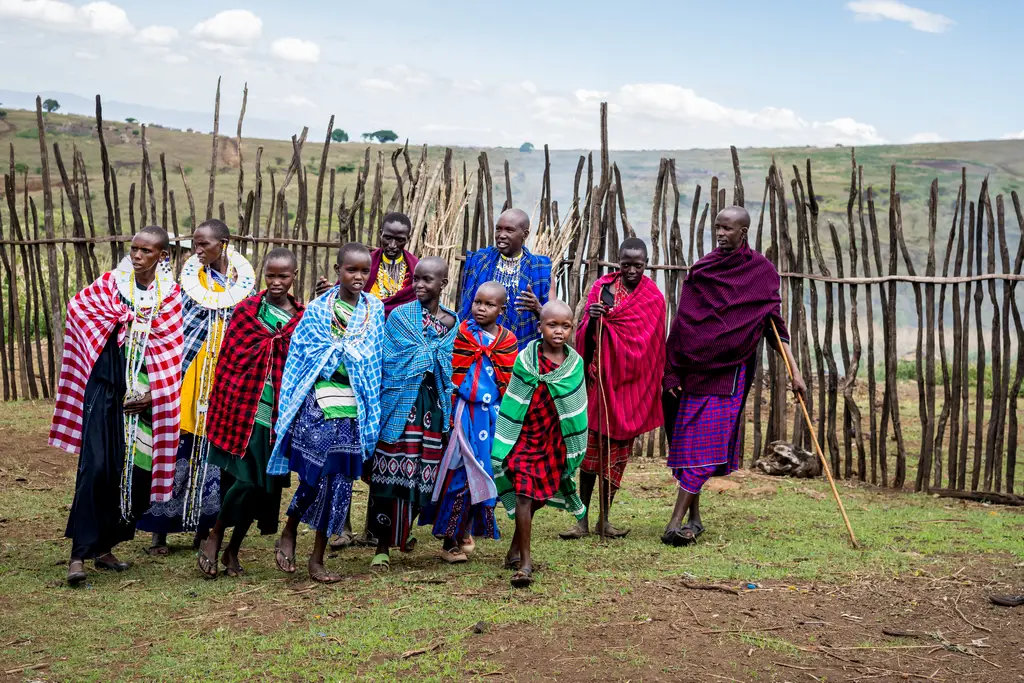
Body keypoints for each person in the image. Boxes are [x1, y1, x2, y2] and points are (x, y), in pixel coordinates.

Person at [661, 206, 805, 546]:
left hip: (730, 374)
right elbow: (685, 321)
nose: (721, 234)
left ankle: (674, 523)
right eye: (718, 228)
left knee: (704, 445)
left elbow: (774, 327)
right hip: (692, 368)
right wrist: (672, 366)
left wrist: (794, 373)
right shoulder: (704, 269)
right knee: (686, 442)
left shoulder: (761, 273)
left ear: (744, 232)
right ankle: (694, 517)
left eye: (728, 229)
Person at [50, 226, 184, 585]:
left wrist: (154, 394)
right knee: (95, 467)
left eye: (146, 251)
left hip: (142, 397)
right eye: (134, 249)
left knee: (130, 472)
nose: (137, 256)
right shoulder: (112, 284)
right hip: (105, 386)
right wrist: (116, 320)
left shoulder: (169, 295)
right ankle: (78, 554)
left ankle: (106, 546)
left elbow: (172, 348)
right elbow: (78, 308)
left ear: (163, 257)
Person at [266, 243, 385, 583]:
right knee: (315, 475)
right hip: (319, 399)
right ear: (337, 270)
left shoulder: (373, 310)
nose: (359, 276)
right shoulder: (319, 309)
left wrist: (350, 354)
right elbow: (305, 354)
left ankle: (317, 559)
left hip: (355, 406)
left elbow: (372, 357)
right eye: (352, 270)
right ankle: (289, 529)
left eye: (365, 271)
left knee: (339, 484)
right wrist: (340, 352)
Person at [137, 219, 256, 554]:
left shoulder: (241, 284)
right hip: (186, 376)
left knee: (213, 454)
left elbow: (244, 327)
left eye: (204, 244)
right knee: (175, 448)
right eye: (195, 245)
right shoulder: (187, 285)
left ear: (224, 243)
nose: (198, 251)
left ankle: (203, 528)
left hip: (221, 379)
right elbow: (176, 326)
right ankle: (159, 530)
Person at [196, 249, 304, 578]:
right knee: (244, 481)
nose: (275, 282)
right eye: (270, 275)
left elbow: (302, 365)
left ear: (293, 277)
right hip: (244, 413)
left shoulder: (300, 319)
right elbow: (231, 360)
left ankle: (231, 549)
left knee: (259, 489)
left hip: (279, 419)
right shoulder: (247, 312)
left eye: (283, 276)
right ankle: (215, 535)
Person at [315, 212, 419, 550]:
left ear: (408, 238)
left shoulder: (416, 270)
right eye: (387, 237)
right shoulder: (363, 264)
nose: (391, 244)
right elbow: (346, 301)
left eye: (399, 239)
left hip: (394, 367)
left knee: (380, 448)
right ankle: (339, 526)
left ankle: (375, 527)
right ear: (380, 233)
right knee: (343, 447)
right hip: (355, 367)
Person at [561, 238, 665, 541]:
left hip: (631, 387)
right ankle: (581, 519)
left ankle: (605, 520)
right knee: (588, 453)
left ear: (646, 264)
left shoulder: (653, 298)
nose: (631, 270)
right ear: (617, 262)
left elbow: (654, 346)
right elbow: (583, 339)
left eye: (638, 264)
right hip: (599, 383)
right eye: (626, 264)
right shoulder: (602, 290)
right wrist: (593, 321)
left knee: (616, 456)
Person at [367, 256, 458, 571]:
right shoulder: (400, 317)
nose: (419, 285)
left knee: (424, 475)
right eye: (416, 279)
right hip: (399, 406)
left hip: (431, 407)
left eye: (427, 280)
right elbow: (388, 361)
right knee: (389, 473)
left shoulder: (451, 322)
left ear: (442, 284)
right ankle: (381, 546)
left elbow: (447, 366)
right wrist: (424, 358)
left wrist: (432, 362)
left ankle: (403, 532)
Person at [492, 301, 587, 588]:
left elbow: (575, 408)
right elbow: (514, 399)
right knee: (523, 492)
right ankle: (525, 563)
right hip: (525, 436)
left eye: (565, 326)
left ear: (572, 328)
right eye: (552, 325)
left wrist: (574, 443)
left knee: (538, 496)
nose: (558, 331)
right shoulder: (526, 360)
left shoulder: (574, 365)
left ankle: (513, 548)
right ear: (540, 327)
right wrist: (507, 437)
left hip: (555, 441)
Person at [420, 282, 517, 563]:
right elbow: (449, 373)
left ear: (502, 309)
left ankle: (464, 530)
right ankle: (449, 539)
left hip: (492, 417)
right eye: (477, 302)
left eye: (489, 304)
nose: (481, 309)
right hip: (463, 414)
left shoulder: (508, 341)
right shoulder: (461, 334)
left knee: (485, 472)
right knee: (460, 473)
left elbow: (510, 382)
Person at [460, 208, 551, 351]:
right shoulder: (480, 261)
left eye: (509, 230)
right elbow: (467, 306)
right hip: (477, 346)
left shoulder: (540, 269)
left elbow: (554, 318)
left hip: (521, 348)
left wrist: (538, 308)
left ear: (525, 234)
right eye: (498, 229)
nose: (501, 235)